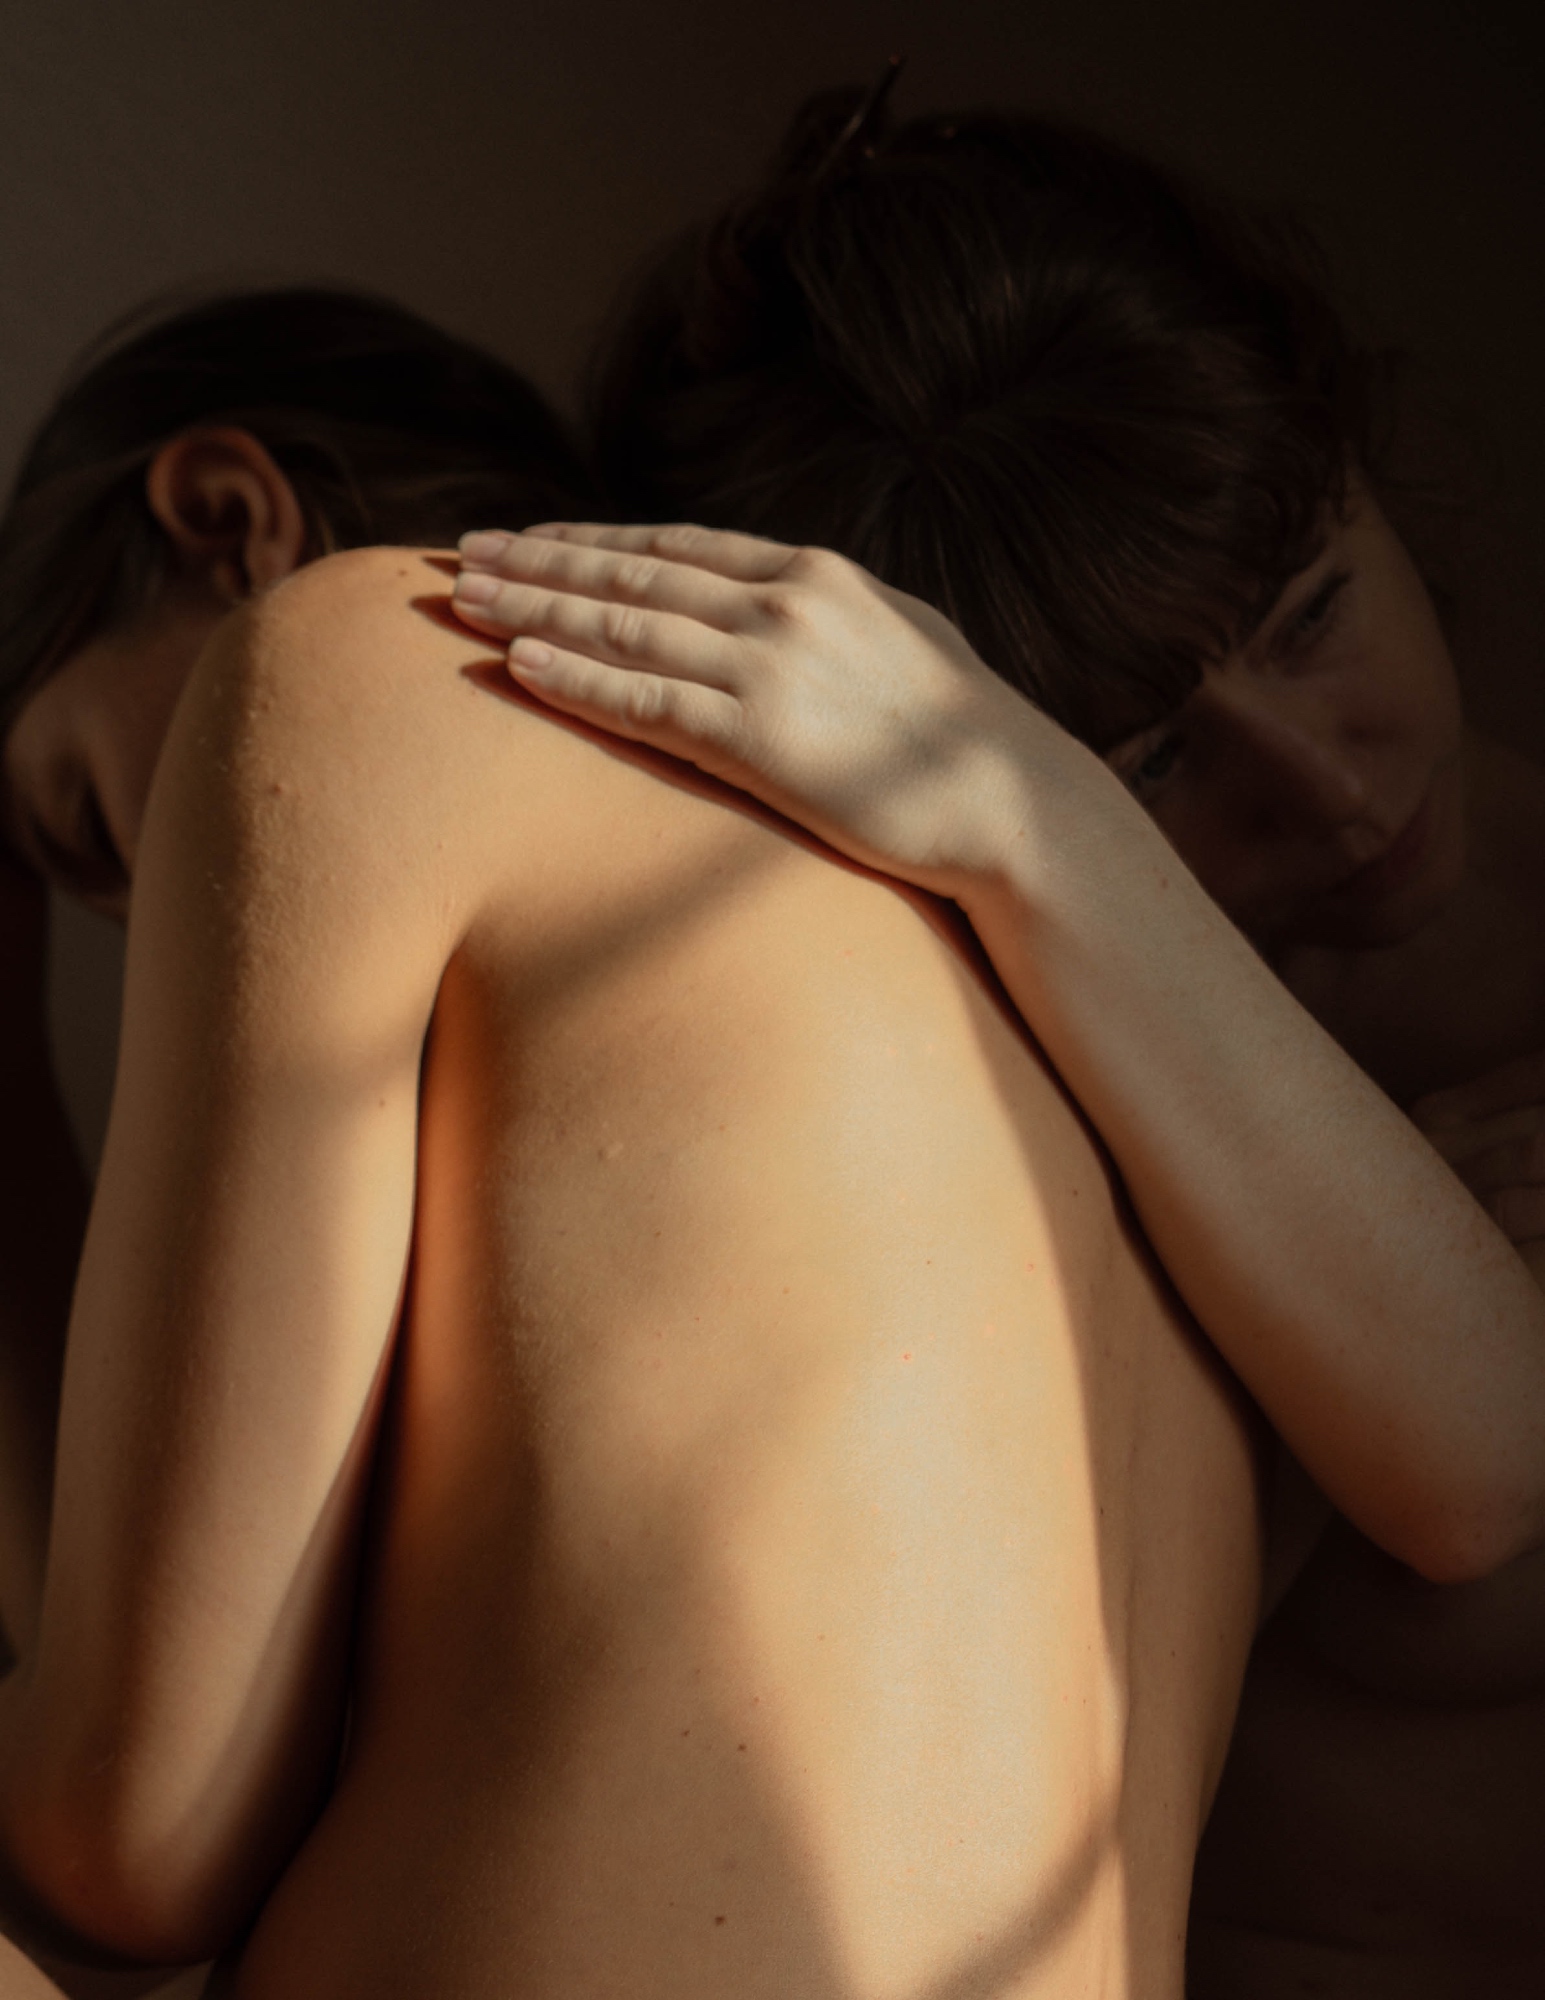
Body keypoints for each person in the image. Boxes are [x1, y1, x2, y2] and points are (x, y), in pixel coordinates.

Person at [0, 294, 1271, 1998]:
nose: (131, 919)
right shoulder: (1069, 999)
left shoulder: (361, 653)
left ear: (227, 518)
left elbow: (129, 1845)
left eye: (86, 820)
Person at [443, 89, 1545, 1999]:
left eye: (1312, 613)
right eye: (1146, 762)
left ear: (1361, 463)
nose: (1326, 783)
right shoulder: (993, 1095)